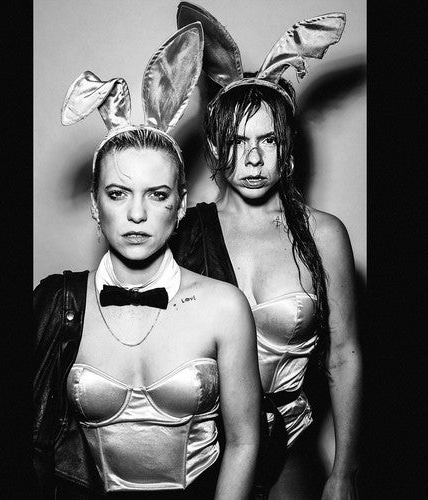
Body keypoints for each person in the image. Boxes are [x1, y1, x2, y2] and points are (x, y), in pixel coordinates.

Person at [33, 22, 260, 499]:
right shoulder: (59, 303)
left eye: (156, 194)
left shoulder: (225, 306)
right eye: (118, 193)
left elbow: (244, 442)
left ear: (180, 206)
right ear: (95, 204)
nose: (136, 214)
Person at [171, 4, 362, 499]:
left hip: (290, 441)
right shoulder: (184, 233)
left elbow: (343, 355)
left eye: (268, 139)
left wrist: (344, 471)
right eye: (238, 140)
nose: (254, 158)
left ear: (288, 146)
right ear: (216, 148)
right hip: (199, 446)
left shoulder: (323, 235)